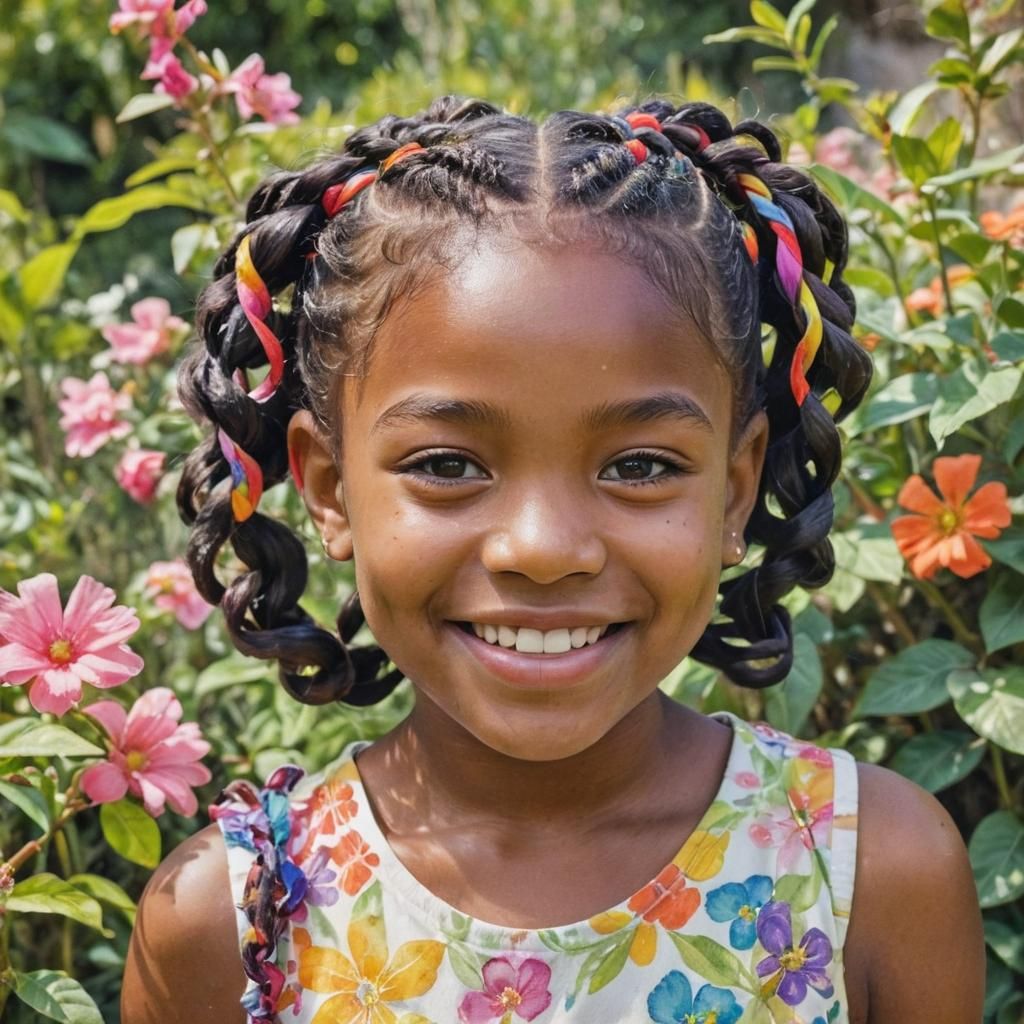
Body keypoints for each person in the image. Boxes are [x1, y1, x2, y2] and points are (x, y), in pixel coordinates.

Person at [120, 96, 984, 1024]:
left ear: (734, 492)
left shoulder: (868, 877)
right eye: (447, 465)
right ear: (329, 491)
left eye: (642, 466)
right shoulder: (234, 925)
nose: (542, 549)